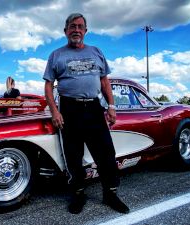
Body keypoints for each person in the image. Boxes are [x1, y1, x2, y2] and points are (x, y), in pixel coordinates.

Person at [43, 13, 129, 214]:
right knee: (73, 156)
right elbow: (48, 86)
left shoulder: (96, 52)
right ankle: (78, 195)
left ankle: (110, 194)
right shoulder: (56, 55)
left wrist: (112, 106)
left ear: (85, 31)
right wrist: (55, 111)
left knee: (106, 153)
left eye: (80, 26)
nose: (76, 30)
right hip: (69, 109)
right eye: (72, 26)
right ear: (65, 31)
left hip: (93, 108)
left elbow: (104, 81)